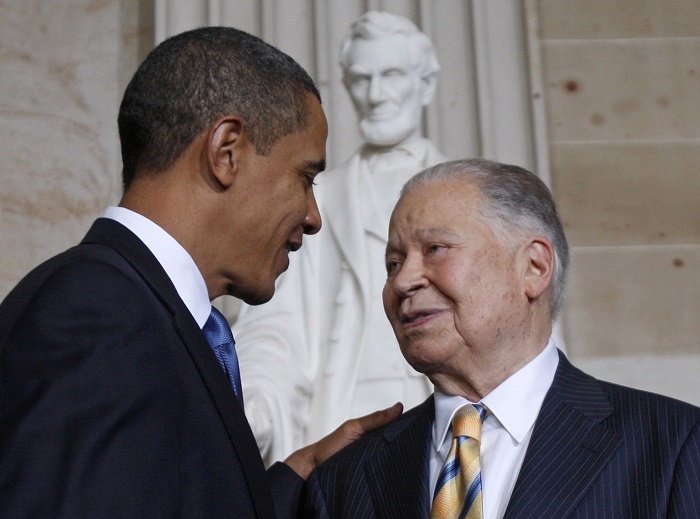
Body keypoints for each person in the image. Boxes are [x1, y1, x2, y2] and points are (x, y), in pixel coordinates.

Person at [0, 26, 402, 518]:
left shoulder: (136, 309)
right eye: (305, 178)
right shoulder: (97, 316)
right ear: (226, 152)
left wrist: (298, 477)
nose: (314, 217)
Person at [304, 158, 700, 519]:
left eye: (435, 249)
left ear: (533, 267)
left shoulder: (673, 447)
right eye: (393, 263)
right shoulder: (343, 480)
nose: (403, 280)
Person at [233, 10, 446, 465]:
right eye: (362, 78)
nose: (376, 94)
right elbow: (278, 322)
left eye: (391, 75)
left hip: (449, 419)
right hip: (342, 419)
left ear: (425, 85)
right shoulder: (319, 199)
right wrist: (252, 401)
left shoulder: (479, 200)